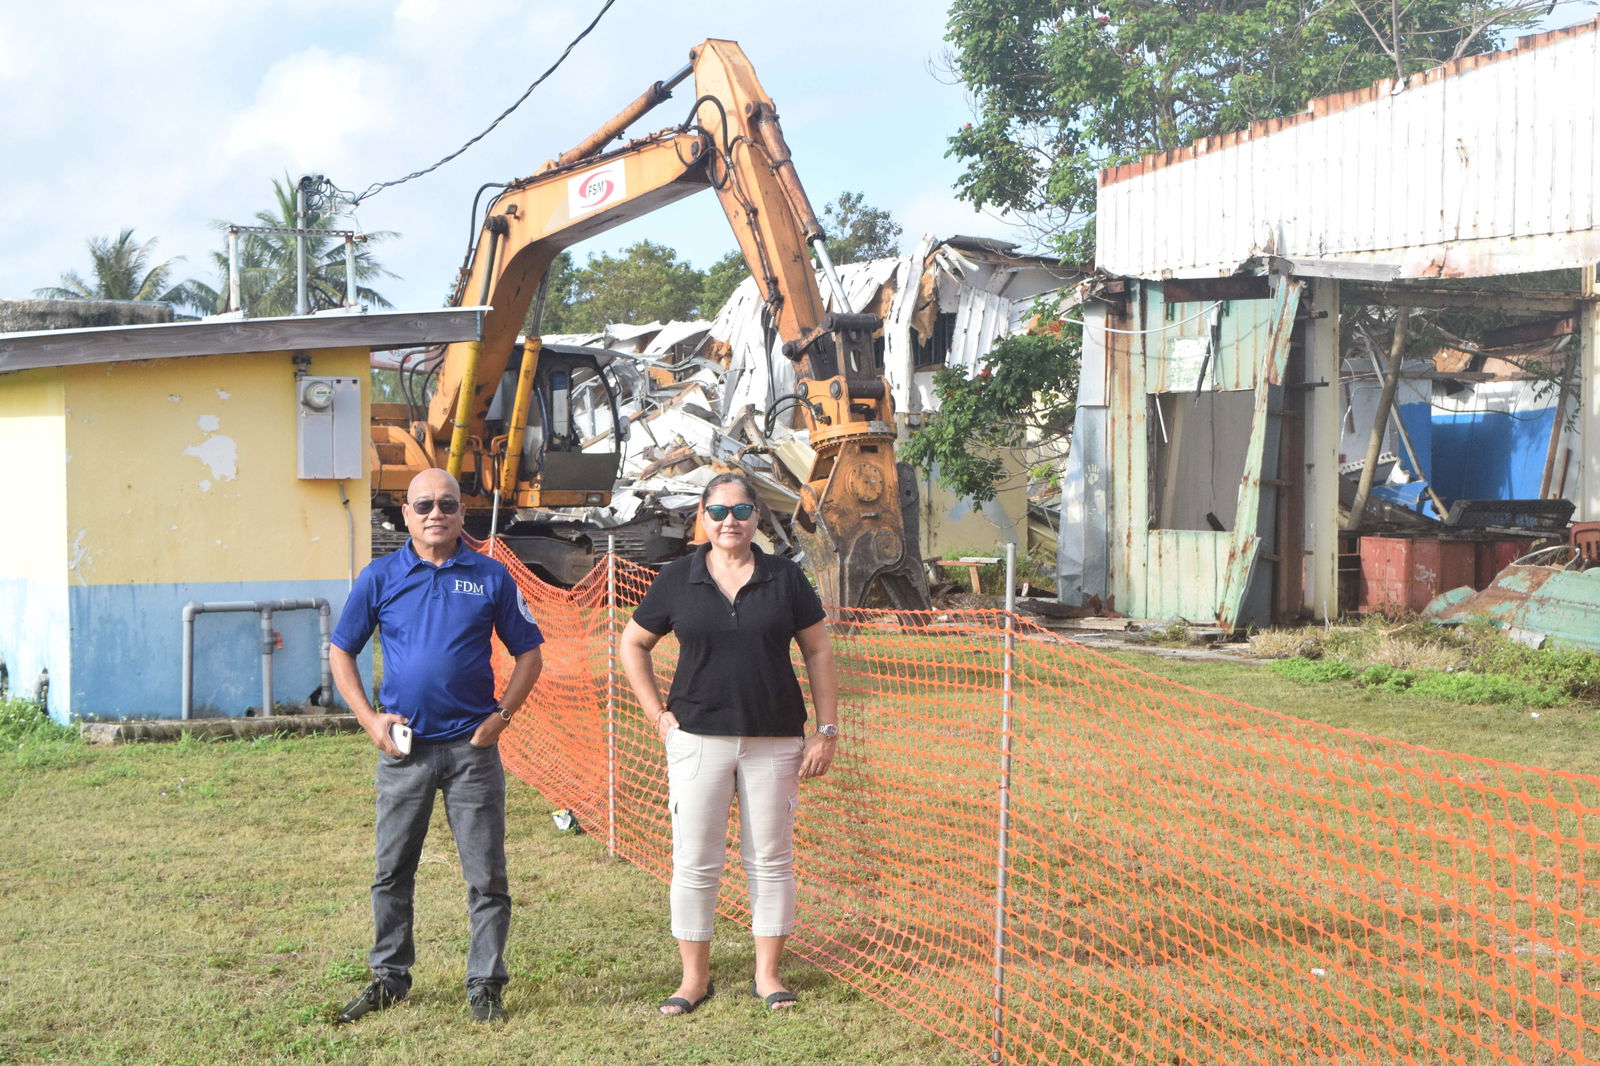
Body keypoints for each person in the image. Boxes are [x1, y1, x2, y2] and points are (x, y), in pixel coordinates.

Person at [328, 468, 544, 1025]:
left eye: (447, 504)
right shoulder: (379, 577)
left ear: (461, 513)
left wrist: (502, 717)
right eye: (423, 503)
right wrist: (368, 719)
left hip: (473, 750)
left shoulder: (492, 577)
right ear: (405, 513)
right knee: (392, 870)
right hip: (405, 751)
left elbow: (529, 654)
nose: (435, 513)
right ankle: (388, 979)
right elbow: (340, 651)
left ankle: (485, 984)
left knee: (487, 876)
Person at [619, 471, 840, 1014]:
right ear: (702, 516)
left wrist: (826, 730)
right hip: (697, 740)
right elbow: (633, 643)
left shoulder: (784, 577)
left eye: (741, 512)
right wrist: (657, 713)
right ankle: (694, 979)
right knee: (695, 861)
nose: (729, 523)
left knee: (771, 859)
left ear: (758, 518)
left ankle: (768, 976)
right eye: (718, 512)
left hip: (775, 740)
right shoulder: (678, 578)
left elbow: (818, 653)